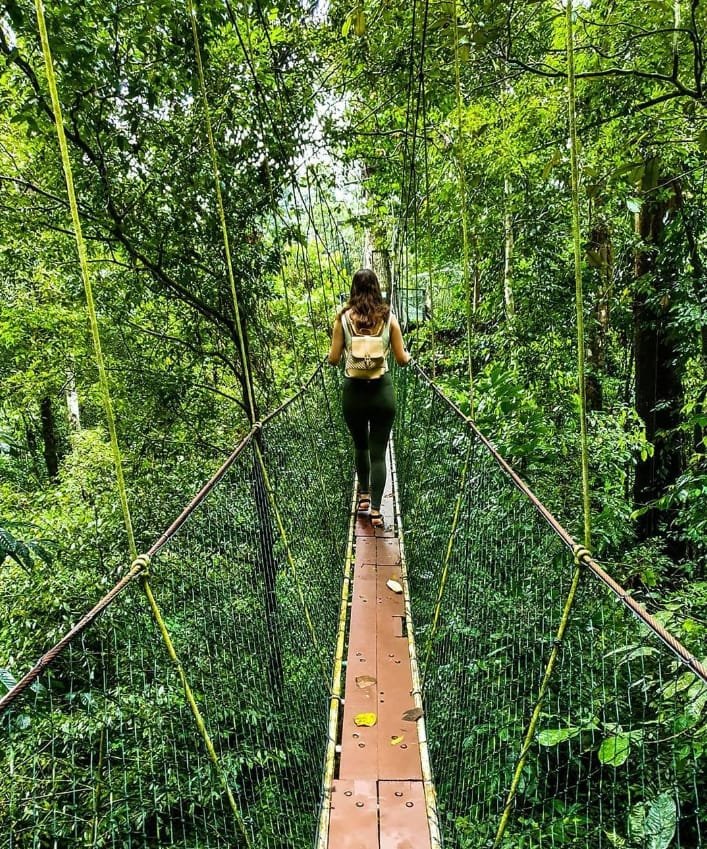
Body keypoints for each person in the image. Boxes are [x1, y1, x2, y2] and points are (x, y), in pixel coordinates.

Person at [328, 268, 411, 528]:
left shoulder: (342, 319)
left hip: (354, 393)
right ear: (377, 289)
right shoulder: (389, 318)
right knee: (379, 453)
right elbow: (401, 359)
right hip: (381, 394)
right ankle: (376, 510)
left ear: (353, 290)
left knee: (360, 446)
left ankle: (363, 496)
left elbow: (332, 359)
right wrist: (410, 357)